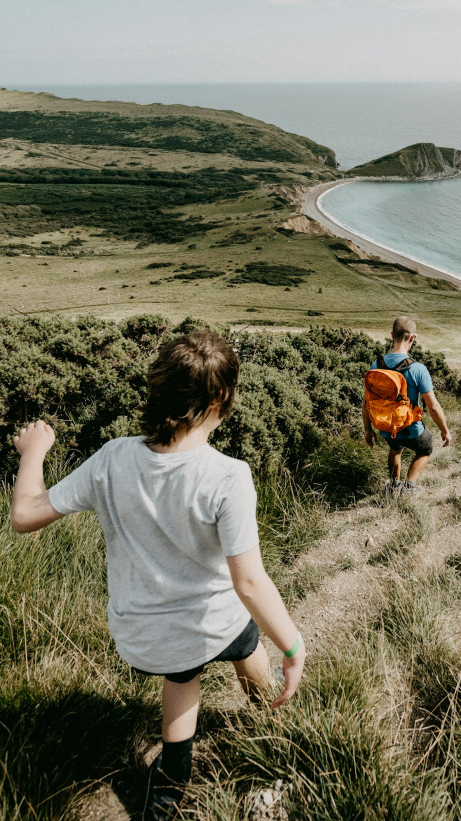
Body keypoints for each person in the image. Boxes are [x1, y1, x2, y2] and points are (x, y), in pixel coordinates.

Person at [10, 328, 305, 821]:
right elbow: (249, 583)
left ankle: (168, 788)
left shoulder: (112, 458)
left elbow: (24, 516)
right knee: (248, 633)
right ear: (222, 399)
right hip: (210, 627)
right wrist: (294, 647)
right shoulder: (229, 476)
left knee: (182, 668)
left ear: (157, 390)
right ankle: (270, 716)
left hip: (141, 636)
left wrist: (33, 453)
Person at [362, 316, 451, 493]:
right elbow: (433, 407)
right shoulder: (418, 369)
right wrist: (444, 430)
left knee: (395, 450)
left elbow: (366, 403)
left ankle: (394, 485)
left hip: (386, 427)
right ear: (412, 338)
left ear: (391, 335)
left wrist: (367, 429)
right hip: (410, 429)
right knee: (425, 449)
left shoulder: (376, 365)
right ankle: (409, 486)